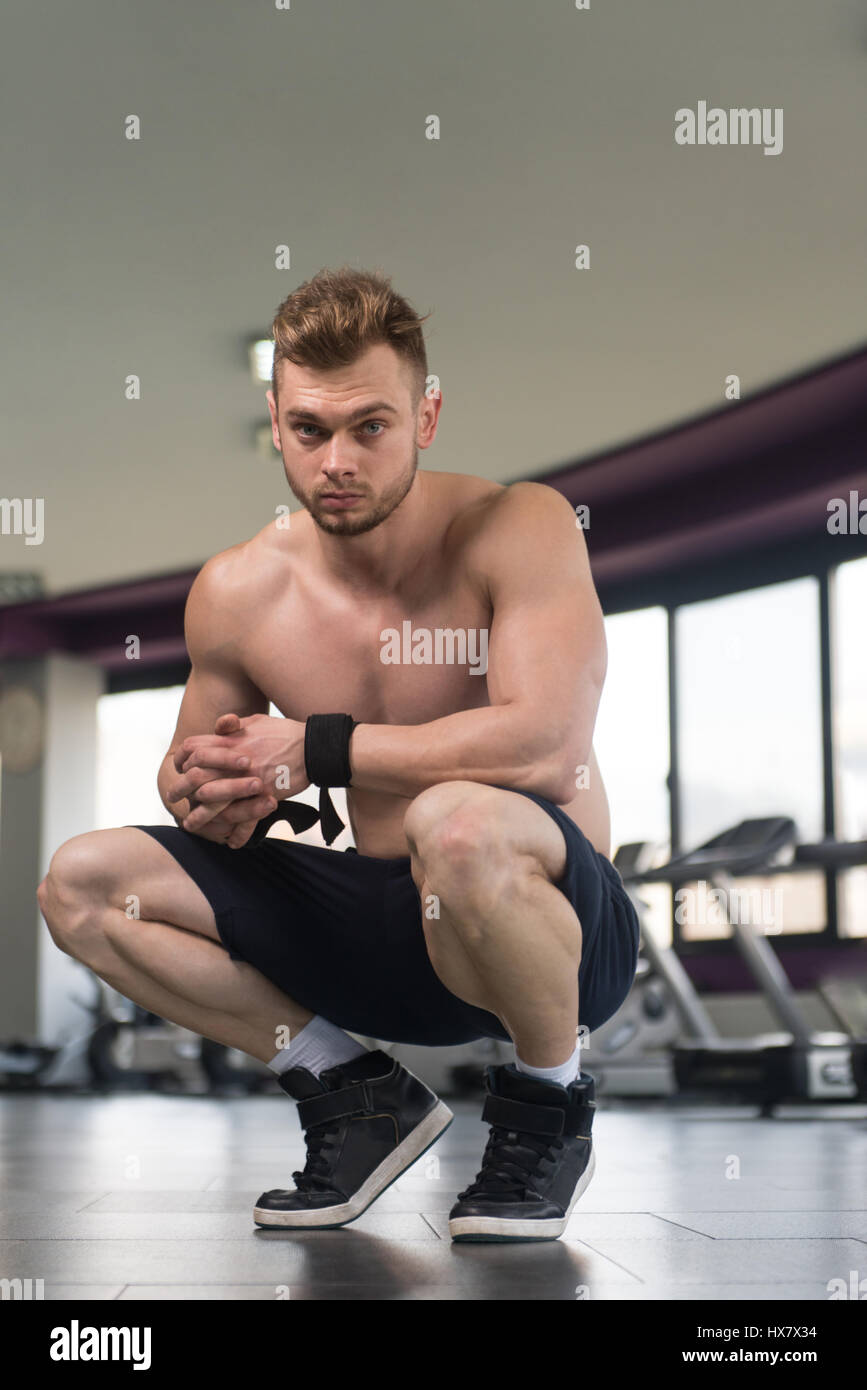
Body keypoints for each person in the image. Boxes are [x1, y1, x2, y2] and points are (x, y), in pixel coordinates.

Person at [37, 265, 639, 1243]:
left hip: (546, 937)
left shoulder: (516, 525)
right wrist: (212, 795)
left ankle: (550, 1101)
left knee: (460, 817)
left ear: (427, 415)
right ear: (276, 421)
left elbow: (546, 742)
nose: (338, 461)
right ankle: (354, 1096)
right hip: (379, 929)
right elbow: (193, 763)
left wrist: (314, 751)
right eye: (311, 430)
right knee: (84, 882)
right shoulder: (238, 589)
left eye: (372, 426)